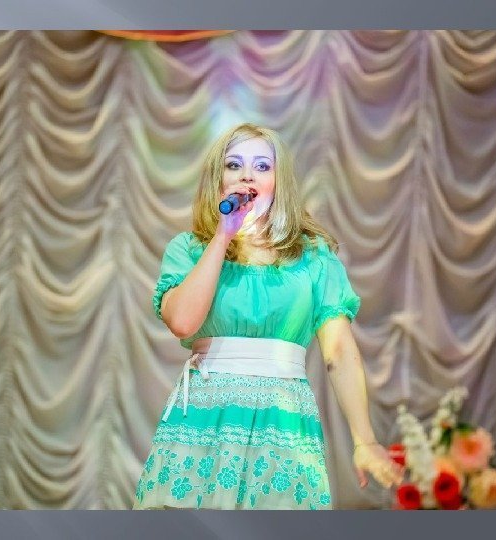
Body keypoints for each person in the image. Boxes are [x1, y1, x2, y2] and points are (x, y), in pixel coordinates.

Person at [133, 123, 403, 510]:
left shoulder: (313, 258)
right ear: (218, 178)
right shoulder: (189, 249)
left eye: (262, 166)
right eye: (234, 164)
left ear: (278, 182)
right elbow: (183, 323)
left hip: (283, 420)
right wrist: (222, 236)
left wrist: (365, 441)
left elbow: (339, 351)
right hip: (207, 420)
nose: (247, 175)